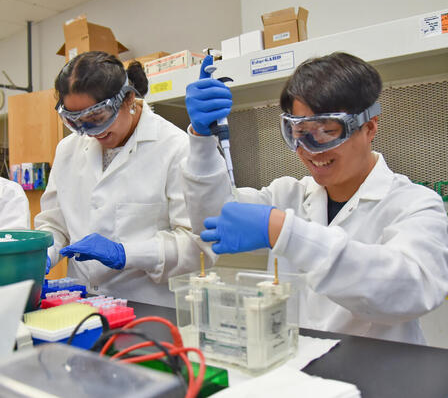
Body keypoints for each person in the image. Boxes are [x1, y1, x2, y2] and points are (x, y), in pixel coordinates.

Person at [182, 52, 448, 344]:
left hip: (376, 377)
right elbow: (212, 221)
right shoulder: (287, 194)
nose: (309, 149)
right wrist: (202, 141)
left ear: (370, 126)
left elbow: (412, 290)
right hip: (300, 371)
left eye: (326, 132)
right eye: (298, 132)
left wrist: (287, 233)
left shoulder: (416, 204)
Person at [34, 51, 213, 307]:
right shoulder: (67, 149)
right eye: (75, 122)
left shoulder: (176, 148)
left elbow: (197, 245)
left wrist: (126, 254)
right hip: (81, 304)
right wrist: (45, 252)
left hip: (149, 306)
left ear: (128, 99)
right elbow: (55, 223)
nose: (89, 132)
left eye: (97, 119)